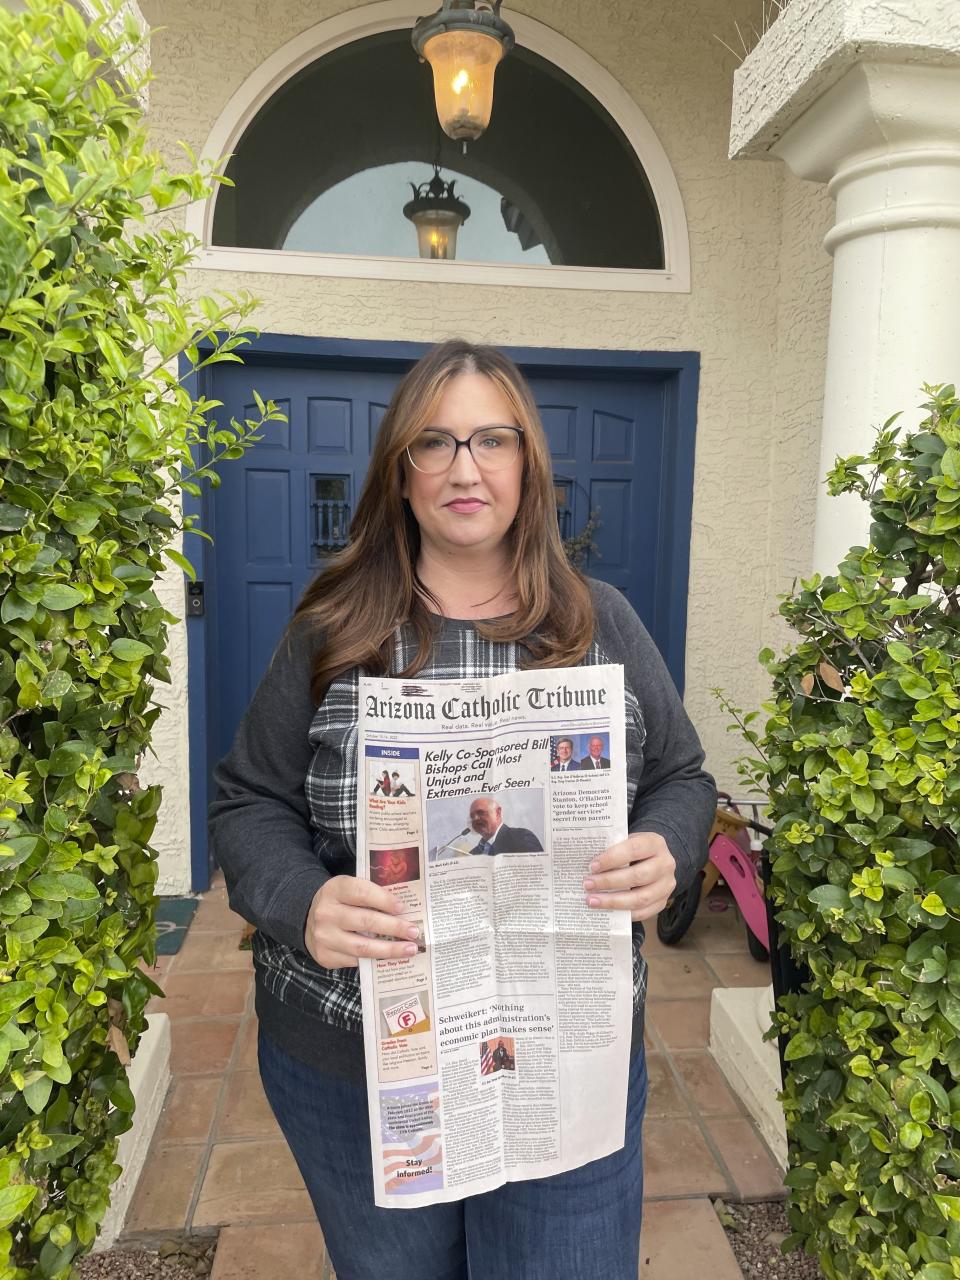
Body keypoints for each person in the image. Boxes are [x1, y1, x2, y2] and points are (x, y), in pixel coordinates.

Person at [209, 338, 716, 1280]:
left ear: (528, 464)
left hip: (564, 1047)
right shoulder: (335, 626)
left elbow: (683, 776)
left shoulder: (600, 622)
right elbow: (248, 799)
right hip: (356, 1059)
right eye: (434, 444)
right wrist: (301, 900)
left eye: (492, 439)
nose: (465, 467)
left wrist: (668, 847)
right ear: (400, 474)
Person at [468, 795, 542, 855]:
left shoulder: (522, 837)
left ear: (497, 813)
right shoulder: (471, 855)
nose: (475, 818)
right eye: (472, 816)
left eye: (481, 813)